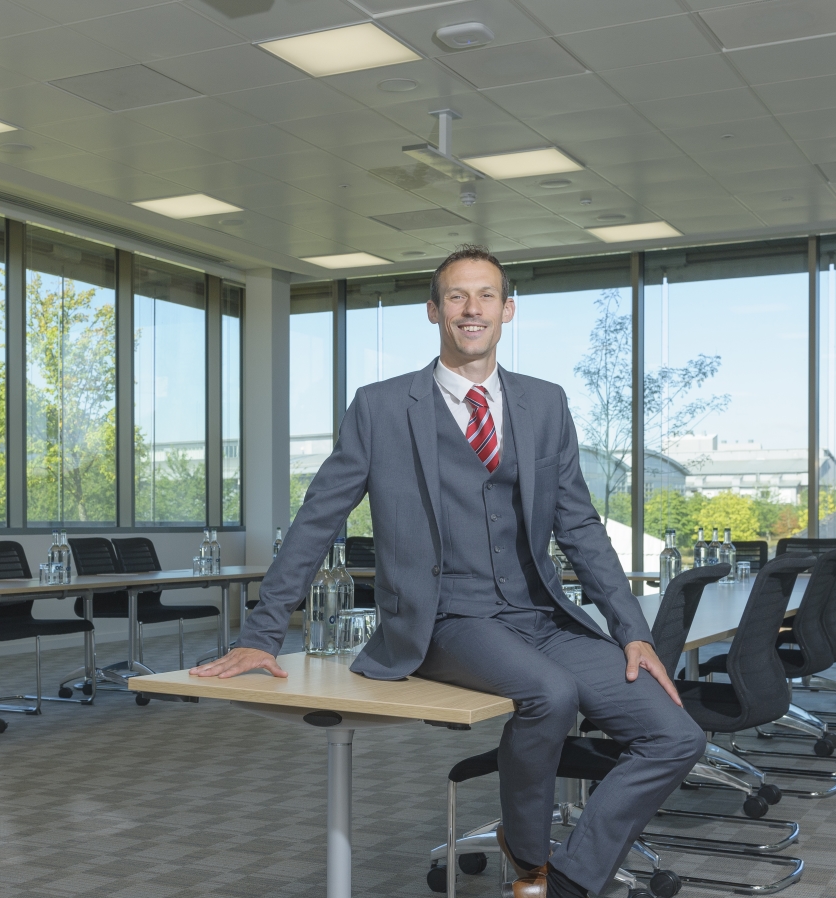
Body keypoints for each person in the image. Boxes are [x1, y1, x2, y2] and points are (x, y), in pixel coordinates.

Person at [190, 245, 704, 898]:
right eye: (457, 296)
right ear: (433, 310)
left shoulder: (544, 404)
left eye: (485, 296)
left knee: (674, 734)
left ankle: (569, 880)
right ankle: (529, 868)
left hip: (539, 616)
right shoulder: (380, 407)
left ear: (506, 310)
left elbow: (578, 528)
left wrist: (630, 630)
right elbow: (318, 519)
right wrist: (261, 633)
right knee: (550, 694)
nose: (472, 309)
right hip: (448, 620)